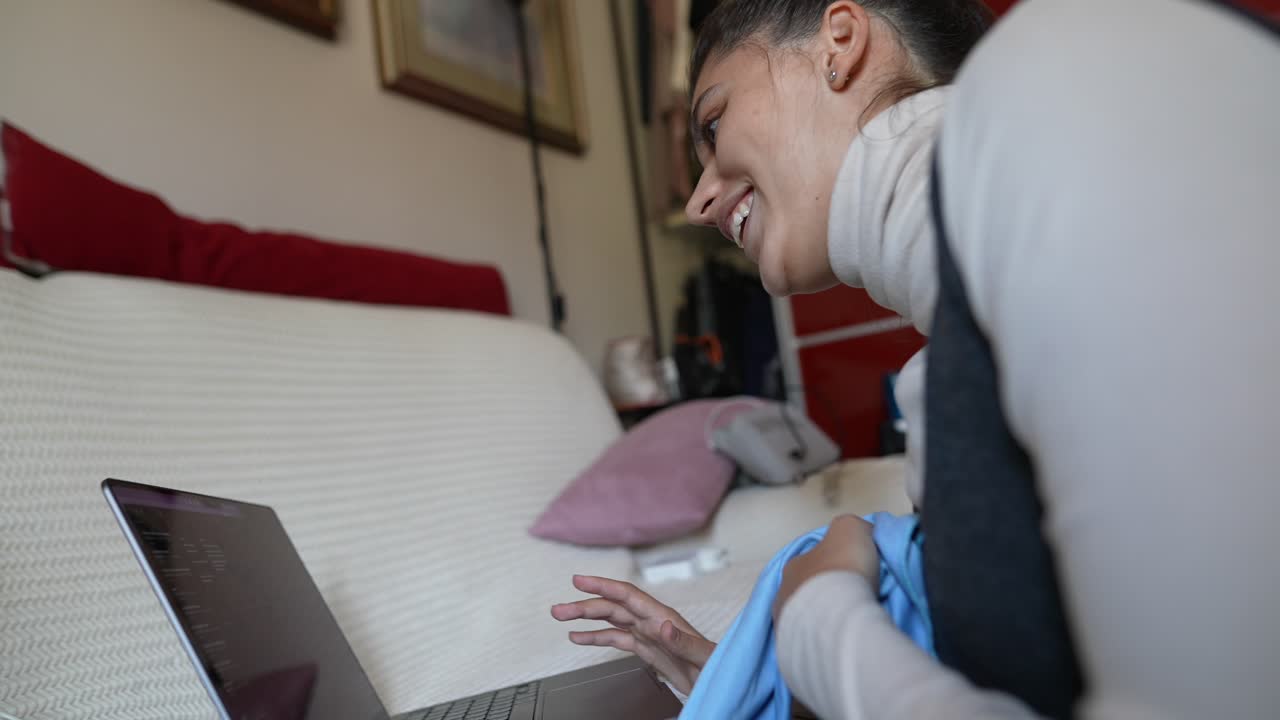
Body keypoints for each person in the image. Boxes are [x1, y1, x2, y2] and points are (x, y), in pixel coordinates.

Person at [553, 1, 1280, 718]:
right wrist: (745, 678)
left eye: (713, 125)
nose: (703, 202)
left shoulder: (1063, 77)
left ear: (840, 41)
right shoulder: (958, 370)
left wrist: (819, 621)